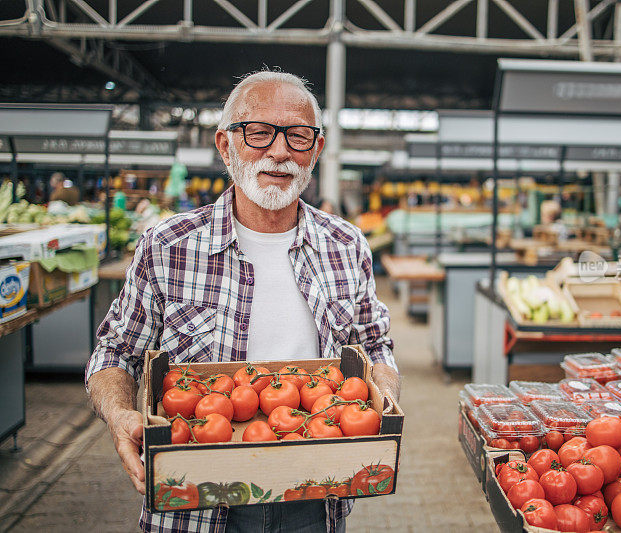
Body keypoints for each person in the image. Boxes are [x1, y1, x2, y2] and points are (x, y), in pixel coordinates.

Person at [85, 70, 400, 533]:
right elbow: (114, 353)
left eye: (297, 136)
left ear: (315, 149)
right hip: (193, 503)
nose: (279, 151)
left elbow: (375, 347)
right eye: (258, 133)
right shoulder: (167, 245)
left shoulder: (346, 244)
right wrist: (119, 416)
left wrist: (384, 400)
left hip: (314, 496)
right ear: (225, 145)